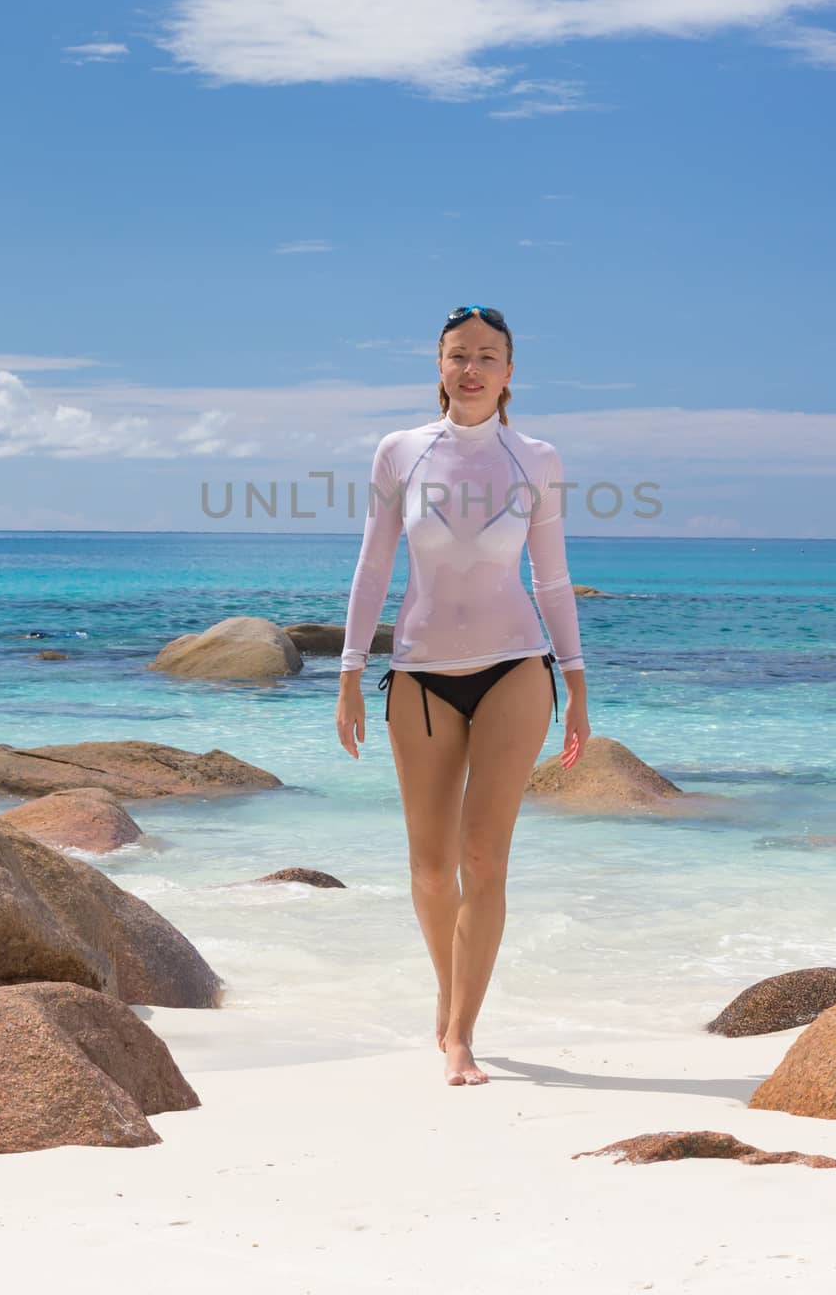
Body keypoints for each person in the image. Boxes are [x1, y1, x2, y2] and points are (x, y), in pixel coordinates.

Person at [335, 304, 590, 1087]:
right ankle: (446, 1001)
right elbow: (375, 566)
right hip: (418, 675)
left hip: (516, 667)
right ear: (439, 368)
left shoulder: (536, 457)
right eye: (457, 356)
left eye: (487, 356)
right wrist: (347, 673)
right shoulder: (400, 452)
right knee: (429, 868)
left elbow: (550, 577)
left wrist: (577, 684)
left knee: (484, 859)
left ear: (510, 373)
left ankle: (461, 1036)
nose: (471, 368)